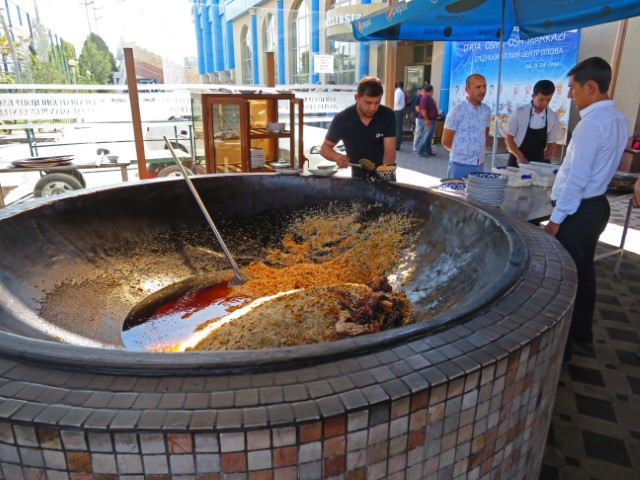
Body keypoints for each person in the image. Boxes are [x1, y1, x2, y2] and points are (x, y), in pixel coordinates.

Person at [543, 57, 628, 363]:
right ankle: (581, 333)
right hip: (597, 208)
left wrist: (555, 220)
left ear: (590, 87)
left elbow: (577, 179)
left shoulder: (591, 125)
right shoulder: (618, 118)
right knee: (584, 273)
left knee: (564, 280)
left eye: (573, 88)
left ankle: (562, 351)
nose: (569, 95)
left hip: (578, 212)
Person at [320, 76, 396, 178]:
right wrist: (338, 157)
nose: (373, 108)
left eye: (377, 102)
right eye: (368, 103)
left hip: (384, 175)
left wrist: (385, 176)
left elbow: (389, 151)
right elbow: (325, 149)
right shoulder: (343, 119)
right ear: (357, 98)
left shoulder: (387, 115)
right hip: (358, 180)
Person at [441, 74, 492, 179]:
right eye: (478, 87)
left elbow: (485, 135)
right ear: (467, 89)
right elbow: (446, 141)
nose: (482, 90)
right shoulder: (457, 111)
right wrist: (462, 154)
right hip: (459, 166)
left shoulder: (486, 110)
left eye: (484, 86)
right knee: (455, 195)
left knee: (475, 195)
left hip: (479, 165)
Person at [504, 80, 563, 167]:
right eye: (541, 99)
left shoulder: (552, 117)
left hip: (538, 161)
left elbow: (552, 142)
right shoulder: (520, 113)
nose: (544, 103)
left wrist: (547, 161)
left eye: (548, 100)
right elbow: (508, 138)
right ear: (533, 96)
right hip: (516, 159)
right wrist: (520, 156)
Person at [417, 84, 438, 157]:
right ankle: (421, 151)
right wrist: (427, 119)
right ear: (431, 90)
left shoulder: (428, 98)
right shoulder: (425, 98)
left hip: (431, 120)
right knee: (425, 136)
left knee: (429, 136)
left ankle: (428, 150)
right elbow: (423, 110)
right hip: (426, 120)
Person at [412, 85, 427, 153]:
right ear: (421, 91)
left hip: (423, 117)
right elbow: (417, 109)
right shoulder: (419, 98)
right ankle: (415, 146)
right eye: (424, 91)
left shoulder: (424, 98)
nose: (425, 92)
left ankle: (421, 147)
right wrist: (424, 113)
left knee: (422, 132)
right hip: (419, 117)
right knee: (418, 132)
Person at [393, 81, 406, 151]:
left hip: (398, 111)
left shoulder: (397, 92)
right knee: (398, 127)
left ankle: (397, 145)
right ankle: (397, 144)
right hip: (398, 111)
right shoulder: (399, 91)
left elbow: (396, 102)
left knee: (397, 128)